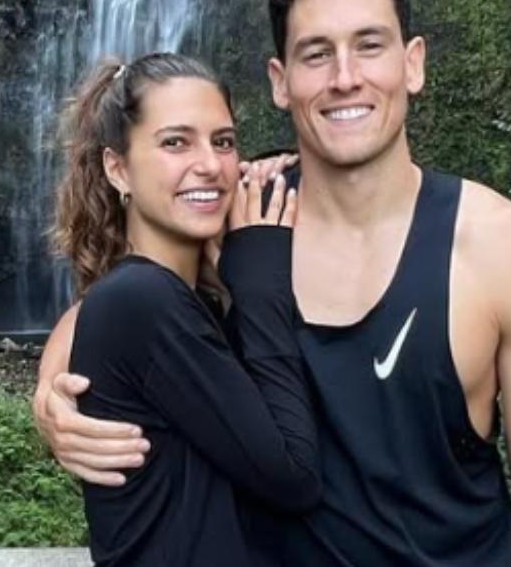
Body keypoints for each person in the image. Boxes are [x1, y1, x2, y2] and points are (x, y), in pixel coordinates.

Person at [34, 0, 511, 565]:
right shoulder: (240, 218)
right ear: (281, 81)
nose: (345, 77)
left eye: (370, 45)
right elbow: (116, 305)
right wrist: (52, 395)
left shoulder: (507, 249)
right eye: (316, 53)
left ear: (413, 64)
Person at [42, 52, 320, 566]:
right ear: (117, 168)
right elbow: (294, 476)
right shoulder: (145, 301)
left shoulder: (183, 299)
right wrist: (261, 285)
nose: (211, 165)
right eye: (175, 142)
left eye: (224, 142)